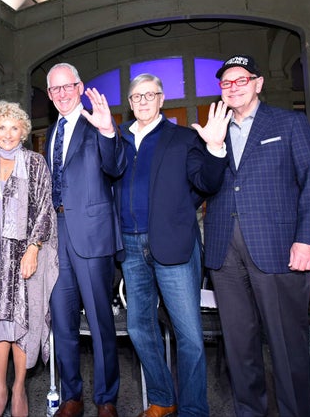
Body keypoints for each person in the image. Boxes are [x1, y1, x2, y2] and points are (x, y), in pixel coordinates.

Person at [203, 55, 310, 416]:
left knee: (287, 345)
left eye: (241, 80)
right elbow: (203, 184)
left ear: (258, 83)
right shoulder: (215, 129)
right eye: (226, 83)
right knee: (239, 346)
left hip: (278, 249)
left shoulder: (289, 123)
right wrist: (212, 148)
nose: (233, 88)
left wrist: (307, 239)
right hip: (225, 252)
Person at [116, 73, 231, 417]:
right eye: (136, 97)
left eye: (150, 95)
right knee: (138, 327)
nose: (142, 102)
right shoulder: (117, 138)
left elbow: (206, 182)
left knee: (189, 335)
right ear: (130, 102)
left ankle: (194, 409)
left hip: (174, 245)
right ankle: (162, 399)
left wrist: (214, 147)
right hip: (130, 245)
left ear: (162, 99)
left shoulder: (183, 138)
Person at [0, 101, 59, 417]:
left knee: (21, 322)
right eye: (2, 127)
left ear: (23, 132)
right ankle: (0, 391)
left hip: (23, 258)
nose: (8, 133)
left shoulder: (35, 163)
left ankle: (19, 387)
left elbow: (45, 208)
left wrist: (33, 248)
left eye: (14, 127)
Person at [45, 63, 126, 417]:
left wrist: (108, 130)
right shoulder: (50, 131)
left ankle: (106, 399)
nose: (62, 94)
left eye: (68, 87)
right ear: (49, 95)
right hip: (56, 236)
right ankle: (71, 395)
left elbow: (116, 166)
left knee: (99, 321)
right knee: (63, 322)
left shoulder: (97, 123)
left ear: (80, 87)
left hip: (92, 235)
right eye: (55, 89)